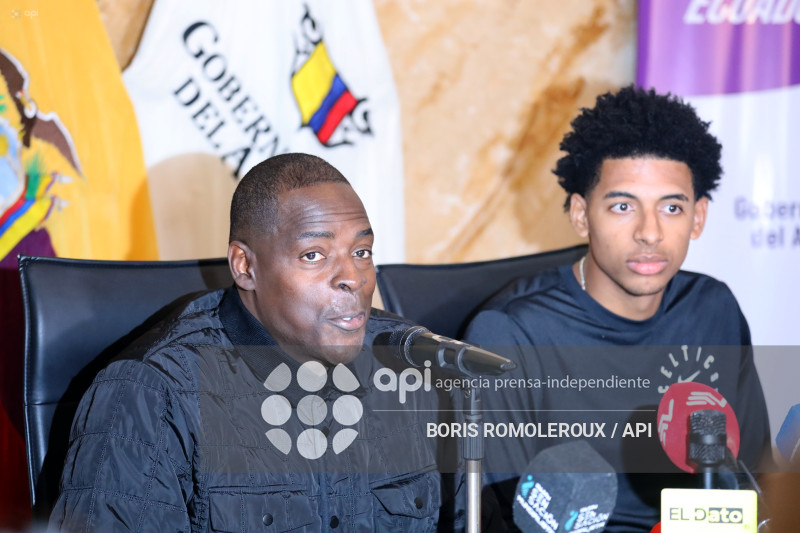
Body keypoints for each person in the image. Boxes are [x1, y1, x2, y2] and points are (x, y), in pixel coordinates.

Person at [50, 153, 462, 532]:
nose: (353, 278)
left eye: (362, 251)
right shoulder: (153, 394)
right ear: (245, 267)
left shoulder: (408, 365)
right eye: (314, 255)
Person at [463, 86, 771, 531]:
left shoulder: (713, 308)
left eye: (671, 206)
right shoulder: (510, 334)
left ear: (699, 217)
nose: (650, 231)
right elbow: (501, 521)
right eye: (623, 206)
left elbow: (756, 480)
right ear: (581, 215)